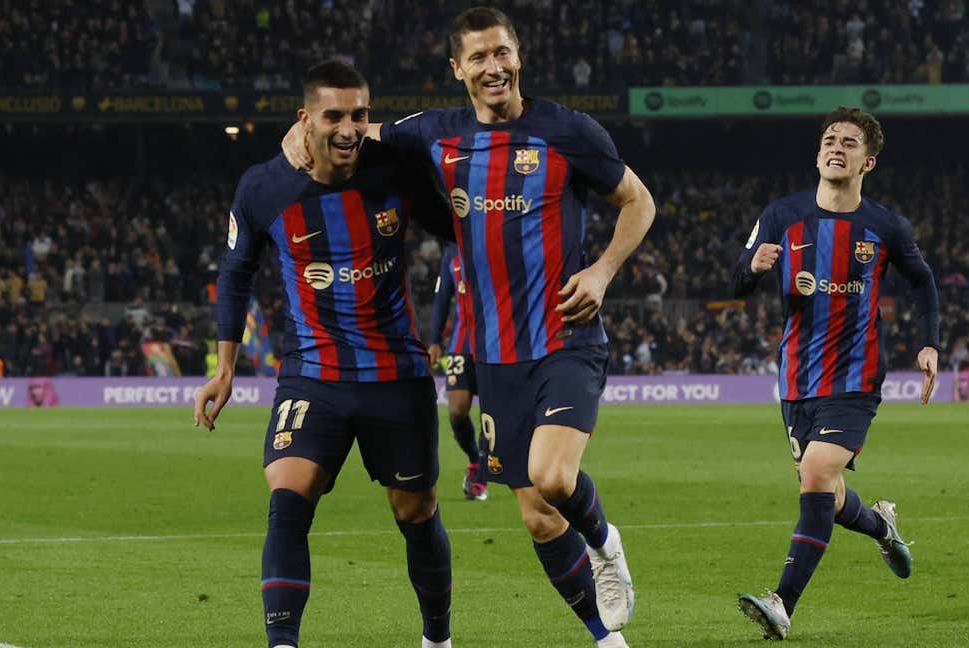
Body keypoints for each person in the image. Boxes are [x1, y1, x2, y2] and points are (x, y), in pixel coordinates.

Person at [282, 8, 656, 647]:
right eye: (478, 57)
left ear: (520, 57)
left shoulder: (570, 132)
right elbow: (357, 132)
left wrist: (600, 273)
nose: (493, 67)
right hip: (495, 359)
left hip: (565, 337)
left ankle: (605, 542)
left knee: (555, 478)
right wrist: (295, 139)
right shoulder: (435, 133)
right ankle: (607, 640)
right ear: (457, 69)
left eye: (501, 53)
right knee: (539, 519)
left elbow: (638, 201)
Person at [193, 60, 457, 648]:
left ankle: (437, 638)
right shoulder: (265, 187)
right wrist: (225, 367)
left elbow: (456, 229)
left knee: (416, 513)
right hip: (313, 373)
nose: (348, 128)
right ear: (305, 119)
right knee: (288, 496)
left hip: (396, 374)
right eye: (333, 115)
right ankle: (282, 643)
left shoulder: (397, 167)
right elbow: (236, 274)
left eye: (359, 115)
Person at [730, 107, 941, 640]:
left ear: (867, 160)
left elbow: (923, 282)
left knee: (818, 474)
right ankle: (880, 526)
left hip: (857, 374)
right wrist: (752, 270)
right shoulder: (781, 215)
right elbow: (737, 280)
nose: (836, 147)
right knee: (826, 489)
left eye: (849, 142)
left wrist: (928, 342)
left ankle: (783, 603)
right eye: (829, 139)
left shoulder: (885, 226)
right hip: (797, 377)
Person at [427, 243, 489, 500]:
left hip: (495, 345)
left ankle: (481, 478)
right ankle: (475, 459)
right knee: (456, 411)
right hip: (461, 344)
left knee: (492, 413)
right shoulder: (451, 251)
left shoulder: (491, 241)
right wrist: (434, 340)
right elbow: (442, 299)